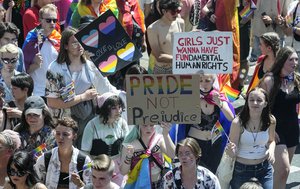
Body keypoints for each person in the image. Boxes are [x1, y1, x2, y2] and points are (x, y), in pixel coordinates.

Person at [45, 27, 99, 148]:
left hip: (88, 120)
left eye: (81, 41)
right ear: (65, 46)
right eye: (75, 42)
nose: (79, 45)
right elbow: (52, 101)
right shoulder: (55, 69)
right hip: (65, 124)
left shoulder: (90, 66)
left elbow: (100, 89)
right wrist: (82, 97)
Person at [170, 73, 234, 173]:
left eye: (207, 81)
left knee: (210, 174)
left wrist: (220, 103)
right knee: (194, 173)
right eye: (200, 80)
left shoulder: (219, 96)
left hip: (215, 144)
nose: (204, 84)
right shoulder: (190, 96)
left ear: (213, 81)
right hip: (194, 143)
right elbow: (177, 116)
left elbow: (231, 118)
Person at [259, 46, 300, 189]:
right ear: (282, 61)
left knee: (282, 173)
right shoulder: (269, 80)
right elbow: (258, 105)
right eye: (291, 60)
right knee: (284, 169)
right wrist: (268, 127)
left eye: (296, 59)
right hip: (275, 129)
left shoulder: (297, 80)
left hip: (293, 129)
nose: (295, 63)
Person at [227, 87, 276, 188]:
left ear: (265, 104)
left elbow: (272, 141)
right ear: (247, 102)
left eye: (259, 100)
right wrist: (231, 150)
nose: (255, 103)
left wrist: (271, 150)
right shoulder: (238, 122)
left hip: (264, 168)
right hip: (241, 169)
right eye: (251, 100)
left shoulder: (271, 120)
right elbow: (233, 147)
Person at [81, 92, 128, 186]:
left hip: (117, 170)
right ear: (105, 109)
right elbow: (84, 152)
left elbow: (125, 148)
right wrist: (96, 168)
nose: (118, 111)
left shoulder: (122, 123)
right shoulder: (92, 125)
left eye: (119, 107)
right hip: (97, 170)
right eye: (114, 108)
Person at [34, 116, 92, 188]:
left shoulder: (85, 160)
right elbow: (34, 182)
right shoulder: (45, 158)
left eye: (65, 134)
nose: (60, 137)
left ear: (74, 136)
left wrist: (80, 184)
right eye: (58, 133)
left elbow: (92, 186)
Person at [23, 4, 61, 97]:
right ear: (40, 21)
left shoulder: (58, 38)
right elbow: (24, 70)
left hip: (55, 91)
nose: (52, 23)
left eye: (54, 20)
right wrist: (35, 64)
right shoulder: (32, 38)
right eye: (48, 20)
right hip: (36, 91)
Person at [120, 123, 175, 188]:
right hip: (139, 184)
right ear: (138, 125)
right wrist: (128, 157)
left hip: (160, 183)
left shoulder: (159, 139)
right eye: (144, 125)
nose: (148, 128)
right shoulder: (129, 145)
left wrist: (166, 134)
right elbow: (123, 172)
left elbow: (173, 155)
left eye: (152, 125)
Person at [147, 0, 184, 74]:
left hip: (178, 67)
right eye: (173, 12)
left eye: (178, 11)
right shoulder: (153, 28)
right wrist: (179, 59)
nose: (176, 14)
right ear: (164, 11)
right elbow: (159, 56)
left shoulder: (180, 23)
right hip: (162, 69)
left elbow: (183, 45)